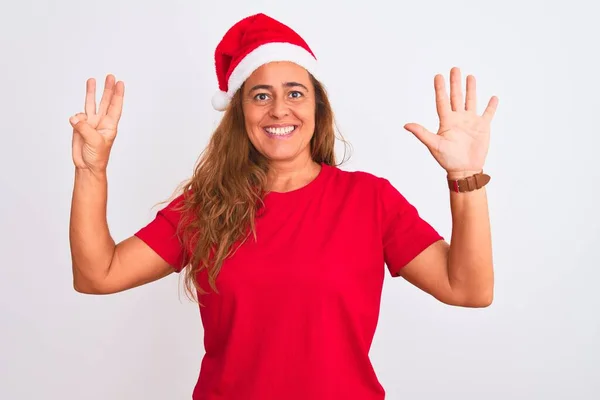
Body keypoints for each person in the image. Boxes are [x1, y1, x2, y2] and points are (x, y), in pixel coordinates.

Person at [68, 12, 498, 400]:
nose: (278, 110)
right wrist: (92, 171)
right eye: (260, 96)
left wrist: (465, 178)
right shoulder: (207, 205)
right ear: (239, 111)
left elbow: (468, 289)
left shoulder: (370, 200)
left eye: (295, 93)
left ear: (317, 106)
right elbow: (97, 274)